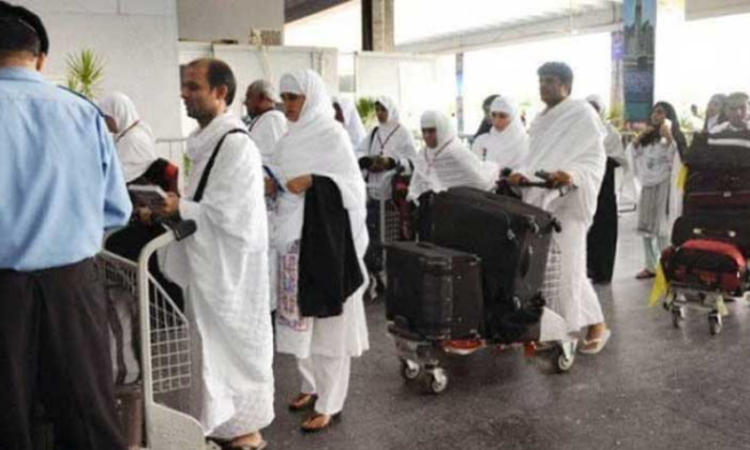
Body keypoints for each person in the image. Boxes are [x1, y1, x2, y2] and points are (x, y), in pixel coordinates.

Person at [0, 2, 131, 449]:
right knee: (87, 414)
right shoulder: (82, 113)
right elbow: (116, 209)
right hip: (71, 288)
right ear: (40, 59)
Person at [157, 58, 274, 450]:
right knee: (209, 353)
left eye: (193, 87)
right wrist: (175, 207)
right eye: (184, 86)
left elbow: (234, 215)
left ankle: (246, 432)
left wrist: (182, 209)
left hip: (232, 273)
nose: (183, 94)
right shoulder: (207, 141)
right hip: (209, 266)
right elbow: (206, 202)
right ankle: (223, 430)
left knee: (233, 353)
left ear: (220, 93)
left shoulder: (237, 144)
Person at [273, 69, 369, 433]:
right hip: (294, 242)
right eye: (284, 98)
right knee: (301, 322)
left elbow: (354, 190)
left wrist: (315, 181)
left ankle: (330, 401)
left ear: (310, 97)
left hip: (327, 245)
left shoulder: (332, 135)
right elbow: (282, 179)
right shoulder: (288, 139)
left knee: (330, 326)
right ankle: (310, 385)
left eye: (293, 98)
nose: (288, 106)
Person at [507, 62, 609, 355]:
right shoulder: (540, 121)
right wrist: (520, 174)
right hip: (541, 201)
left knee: (571, 267)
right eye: (540, 80)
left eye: (550, 80)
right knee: (547, 270)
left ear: (566, 84)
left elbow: (593, 160)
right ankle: (554, 327)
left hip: (570, 205)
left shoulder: (582, 114)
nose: (543, 86)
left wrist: (571, 174)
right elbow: (534, 159)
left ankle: (593, 323)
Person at [357, 96, 419, 295]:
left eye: (382, 109)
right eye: (377, 110)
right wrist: (368, 161)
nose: (379, 113)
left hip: (392, 196)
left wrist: (391, 162)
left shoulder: (402, 133)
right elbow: (359, 150)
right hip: (373, 191)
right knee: (373, 233)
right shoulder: (374, 132)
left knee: (389, 235)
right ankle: (375, 274)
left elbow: (412, 160)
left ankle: (389, 276)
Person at [245, 79, 288, 316]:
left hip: (269, 201)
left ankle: (270, 310)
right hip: (259, 198)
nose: (245, 102)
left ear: (262, 98)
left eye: (249, 97)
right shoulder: (261, 122)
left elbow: (276, 162)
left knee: (269, 258)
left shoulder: (272, 121)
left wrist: (269, 182)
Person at [629, 101, 686, 281]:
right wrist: (638, 138)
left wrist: (669, 138)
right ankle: (650, 266)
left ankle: (667, 265)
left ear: (668, 116)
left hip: (664, 185)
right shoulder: (647, 135)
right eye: (654, 112)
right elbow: (633, 155)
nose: (656, 115)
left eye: (660, 112)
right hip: (647, 184)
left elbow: (677, 160)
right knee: (646, 225)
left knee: (662, 227)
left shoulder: (674, 135)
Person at [408, 110, 499, 203]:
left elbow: (480, 181)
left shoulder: (455, 151)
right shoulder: (423, 153)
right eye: (423, 131)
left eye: (431, 131)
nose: (426, 136)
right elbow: (416, 185)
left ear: (441, 128)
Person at [585, 94, 627, 285]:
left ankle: (602, 272)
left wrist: (598, 159)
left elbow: (618, 158)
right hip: (585, 187)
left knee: (603, 229)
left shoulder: (610, 132)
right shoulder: (578, 130)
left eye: (595, 107)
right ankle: (586, 269)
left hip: (604, 188)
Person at [98, 92, 159, 184]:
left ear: (118, 114)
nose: (105, 122)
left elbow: (116, 176)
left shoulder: (132, 139)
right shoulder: (132, 131)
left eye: (107, 117)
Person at [470, 96, 528, 172]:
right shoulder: (481, 141)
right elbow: (473, 169)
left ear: (513, 118)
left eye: (502, 116)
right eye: (493, 115)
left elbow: (528, 172)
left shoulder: (526, 142)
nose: (497, 120)